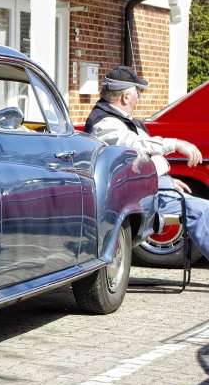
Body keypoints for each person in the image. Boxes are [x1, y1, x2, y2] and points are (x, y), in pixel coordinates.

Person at [84, 65, 209, 257]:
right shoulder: (105, 123)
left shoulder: (122, 119)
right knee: (202, 211)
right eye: (137, 92)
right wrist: (175, 143)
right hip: (141, 197)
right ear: (125, 96)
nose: (139, 97)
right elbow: (134, 145)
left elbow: (142, 160)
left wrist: (165, 179)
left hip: (152, 188)